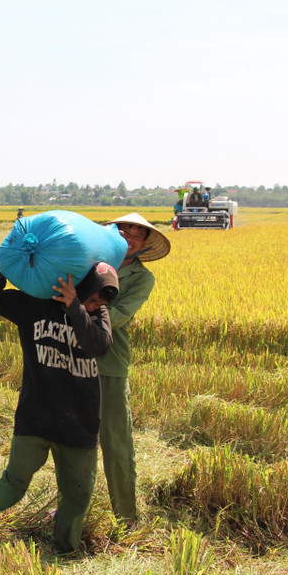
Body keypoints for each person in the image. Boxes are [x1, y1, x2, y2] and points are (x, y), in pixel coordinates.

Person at [0, 262, 119, 553]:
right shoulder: (35, 305)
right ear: (80, 286)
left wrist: (77, 306)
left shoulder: (97, 316)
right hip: (36, 413)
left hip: (80, 419)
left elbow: (98, 346)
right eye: (90, 299)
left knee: (78, 493)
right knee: (14, 483)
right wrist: (10, 262)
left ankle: (65, 550)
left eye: (97, 303)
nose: (92, 306)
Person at [96, 213, 170, 523]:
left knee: (116, 444)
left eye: (136, 235)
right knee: (71, 443)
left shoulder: (142, 278)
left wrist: (74, 307)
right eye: (123, 230)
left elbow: (116, 317)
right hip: (70, 360)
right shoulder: (90, 264)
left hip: (109, 364)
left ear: (143, 246)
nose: (128, 237)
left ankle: (125, 517)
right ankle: (71, 509)